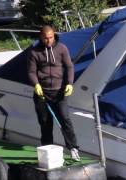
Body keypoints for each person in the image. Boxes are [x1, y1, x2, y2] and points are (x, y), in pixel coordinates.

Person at [27, 25, 80, 161]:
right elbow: (31, 72)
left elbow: (69, 66)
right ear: (41, 37)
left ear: (53, 36)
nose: (48, 40)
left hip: (59, 92)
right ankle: (47, 152)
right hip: (42, 94)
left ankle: (73, 148)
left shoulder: (62, 48)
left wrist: (69, 83)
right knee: (45, 123)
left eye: (50, 37)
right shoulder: (34, 52)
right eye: (45, 38)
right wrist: (36, 85)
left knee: (65, 119)